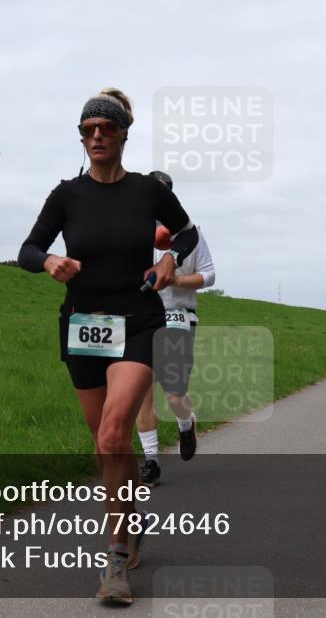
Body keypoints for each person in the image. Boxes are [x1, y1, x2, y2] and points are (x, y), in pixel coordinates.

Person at [18, 88, 199, 605]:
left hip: (139, 319)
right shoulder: (66, 195)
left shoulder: (146, 191)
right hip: (82, 325)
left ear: (123, 134)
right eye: (87, 130)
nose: (95, 136)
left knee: (116, 428)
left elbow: (186, 233)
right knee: (105, 445)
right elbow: (28, 248)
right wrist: (49, 261)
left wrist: (167, 263)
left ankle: (116, 557)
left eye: (105, 128)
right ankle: (131, 520)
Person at [136, 171, 216, 486]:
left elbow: (209, 275)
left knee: (173, 393)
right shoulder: (135, 230)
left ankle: (186, 425)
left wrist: (177, 279)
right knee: (141, 391)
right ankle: (151, 462)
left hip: (179, 315)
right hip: (142, 316)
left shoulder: (191, 233)